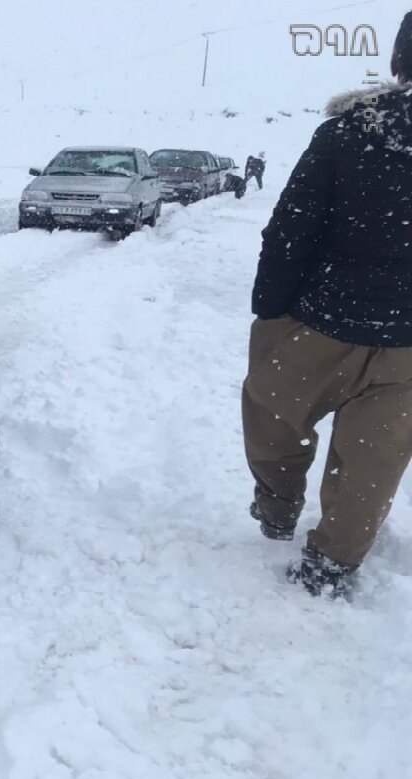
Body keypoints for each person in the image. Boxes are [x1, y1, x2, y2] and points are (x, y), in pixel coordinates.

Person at [242, 11, 412, 598]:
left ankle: (278, 508)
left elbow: (291, 229)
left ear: (396, 64)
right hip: (408, 345)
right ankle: (332, 563)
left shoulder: (346, 134)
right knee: (375, 458)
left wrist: (270, 312)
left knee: (272, 414)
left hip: (321, 322)